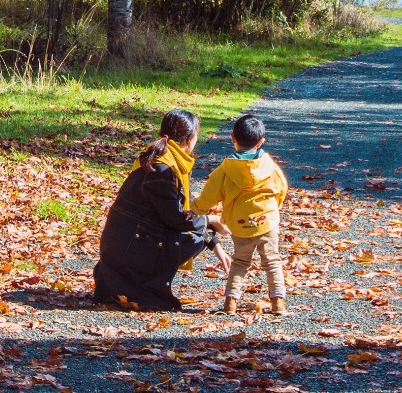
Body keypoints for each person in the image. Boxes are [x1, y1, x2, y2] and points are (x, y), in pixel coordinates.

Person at [92, 108, 227, 311]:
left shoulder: (162, 159)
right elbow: (176, 219)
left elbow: (180, 212)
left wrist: (214, 242)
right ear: (189, 138)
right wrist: (210, 220)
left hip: (122, 245)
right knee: (193, 238)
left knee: (197, 234)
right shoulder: (163, 169)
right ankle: (145, 287)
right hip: (130, 248)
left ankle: (135, 285)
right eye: (196, 135)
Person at [193, 113, 290, 315]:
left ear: (232, 138)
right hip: (267, 220)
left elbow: (209, 196)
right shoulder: (270, 166)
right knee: (272, 260)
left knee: (240, 261)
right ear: (261, 142)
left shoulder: (225, 170)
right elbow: (281, 189)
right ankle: (278, 302)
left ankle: (231, 302)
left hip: (239, 223)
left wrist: (195, 209)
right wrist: (273, 210)